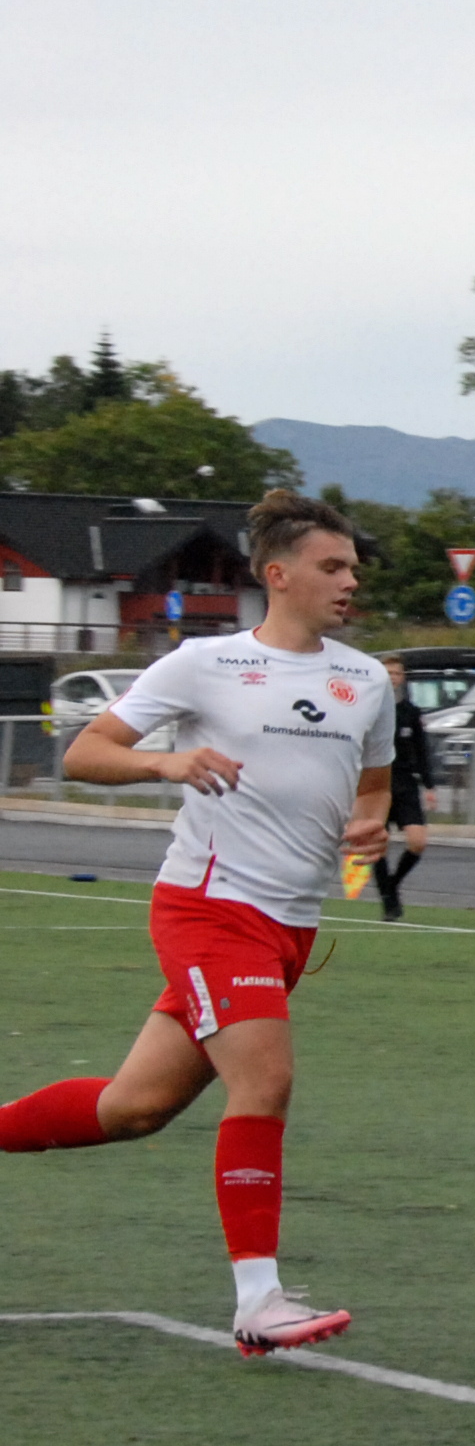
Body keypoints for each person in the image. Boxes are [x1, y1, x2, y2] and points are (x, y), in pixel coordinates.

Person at [0, 490, 390, 1355]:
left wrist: (373, 823)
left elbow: (375, 785)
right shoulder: (204, 664)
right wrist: (168, 763)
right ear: (277, 574)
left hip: (290, 927)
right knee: (266, 1082)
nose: (349, 582)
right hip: (211, 909)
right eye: (332, 567)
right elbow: (85, 753)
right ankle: (259, 1300)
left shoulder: (364, 680)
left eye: (353, 568)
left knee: (134, 1108)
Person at [371, 655, 436, 922]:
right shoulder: (370, 708)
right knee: (377, 844)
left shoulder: (411, 712)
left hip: (405, 782)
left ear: (402, 678)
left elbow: (422, 750)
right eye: (387, 673)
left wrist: (429, 785)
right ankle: (390, 903)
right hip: (377, 782)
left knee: (418, 842)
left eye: (396, 673)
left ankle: (392, 886)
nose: (392, 678)